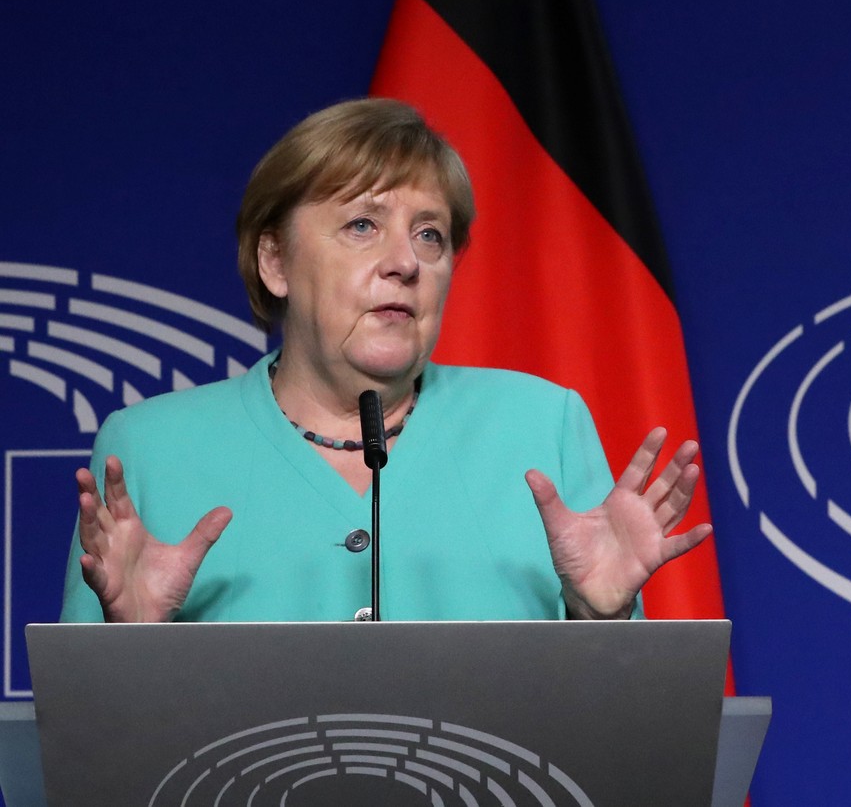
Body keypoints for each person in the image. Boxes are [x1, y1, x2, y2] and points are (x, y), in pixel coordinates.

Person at [60, 97, 711, 624]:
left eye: (430, 235)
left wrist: (601, 616)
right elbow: (80, 760)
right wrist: (129, 649)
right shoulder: (148, 449)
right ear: (275, 260)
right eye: (363, 225)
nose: (405, 263)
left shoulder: (541, 427)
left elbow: (619, 751)